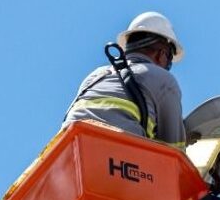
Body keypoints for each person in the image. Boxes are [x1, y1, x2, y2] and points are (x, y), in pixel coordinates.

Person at [63, 12, 187, 147]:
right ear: (161, 54)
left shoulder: (96, 75)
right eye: (169, 62)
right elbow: (174, 149)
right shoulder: (163, 79)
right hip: (118, 151)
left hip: (69, 147)